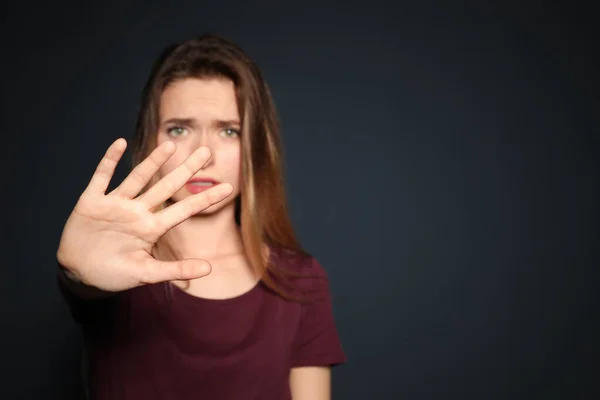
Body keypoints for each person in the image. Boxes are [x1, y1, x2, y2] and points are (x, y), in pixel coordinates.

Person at [55, 33, 346, 400]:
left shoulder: (300, 281)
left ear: (256, 147)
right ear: (150, 142)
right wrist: (76, 274)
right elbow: (87, 278)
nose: (203, 153)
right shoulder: (118, 265)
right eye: (179, 128)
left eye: (229, 131)